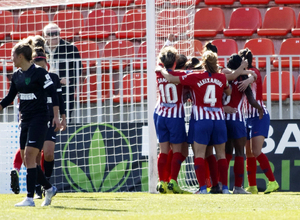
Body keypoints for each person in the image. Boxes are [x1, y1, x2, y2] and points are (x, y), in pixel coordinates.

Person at [157, 50, 232, 194]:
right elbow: (228, 92)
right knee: (221, 155)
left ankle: (203, 189)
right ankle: (225, 189)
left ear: (203, 63)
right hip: (218, 119)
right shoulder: (222, 77)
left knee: (199, 155)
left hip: (201, 120)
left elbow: (173, 79)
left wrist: (161, 70)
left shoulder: (195, 77)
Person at [1, 39, 60, 207]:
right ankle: (48, 188)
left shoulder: (40, 73)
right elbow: (9, 98)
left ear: (20, 56)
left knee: (29, 156)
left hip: (40, 119)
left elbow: (53, 95)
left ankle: (29, 198)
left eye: (13, 55)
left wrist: (56, 116)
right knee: (28, 161)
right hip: (25, 120)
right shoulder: (17, 76)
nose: (11, 58)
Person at [239, 48, 279, 194]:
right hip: (247, 117)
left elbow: (253, 76)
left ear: (245, 61)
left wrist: (248, 79)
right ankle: (253, 186)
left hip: (259, 116)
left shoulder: (254, 71)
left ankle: (272, 182)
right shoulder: (240, 74)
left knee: (256, 151)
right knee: (248, 152)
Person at [223, 54, 262, 194]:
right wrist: (259, 108)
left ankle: (222, 186)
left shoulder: (223, 77)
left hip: (223, 119)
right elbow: (251, 101)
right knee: (239, 153)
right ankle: (238, 187)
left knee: (225, 153)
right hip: (237, 119)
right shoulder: (242, 80)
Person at [154, 46, 189, 194]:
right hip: (175, 117)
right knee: (177, 151)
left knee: (163, 151)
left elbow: (158, 63)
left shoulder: (158, 73)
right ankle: (173, 182)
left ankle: (162, 182)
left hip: (161, 115)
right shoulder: (180, 75)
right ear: (175, 61)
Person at [43, 23, 82, 120]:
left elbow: (78, 68)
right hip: (45, 86)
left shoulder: (71, 48)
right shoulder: (40, 50)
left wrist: (69, 81)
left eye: (57, 33)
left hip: (64, 88)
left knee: (65, 115)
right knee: (45, 116)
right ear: (45, 36)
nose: (55, 36)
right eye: (51, 34)